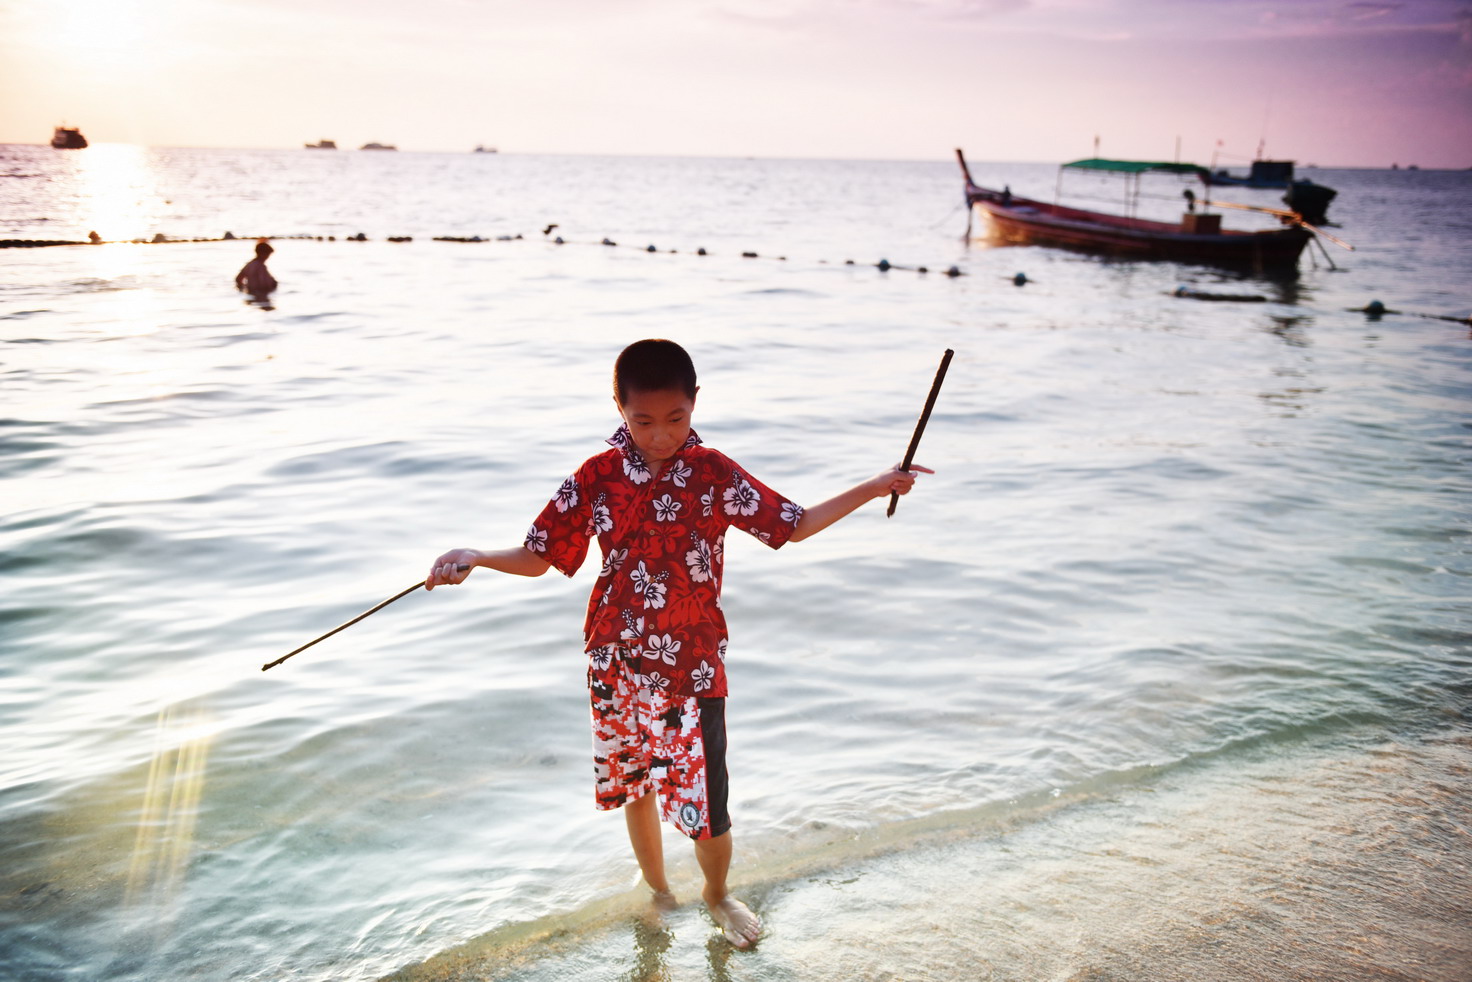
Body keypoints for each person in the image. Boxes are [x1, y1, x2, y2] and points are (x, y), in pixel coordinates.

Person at [425, 339, 931, 949]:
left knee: (707, 800)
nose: (660, 435)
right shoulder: (597, 476)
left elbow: (792, 525)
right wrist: (474, 556)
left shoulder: (713, 471)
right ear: (618, 406)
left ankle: (716, 895)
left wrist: (877, 486)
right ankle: (660, 891)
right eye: (642, 421)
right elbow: (540, 555)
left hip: (691, 664)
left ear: (694, 404)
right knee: (635, 783)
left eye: (675, 419)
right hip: (614, 659)